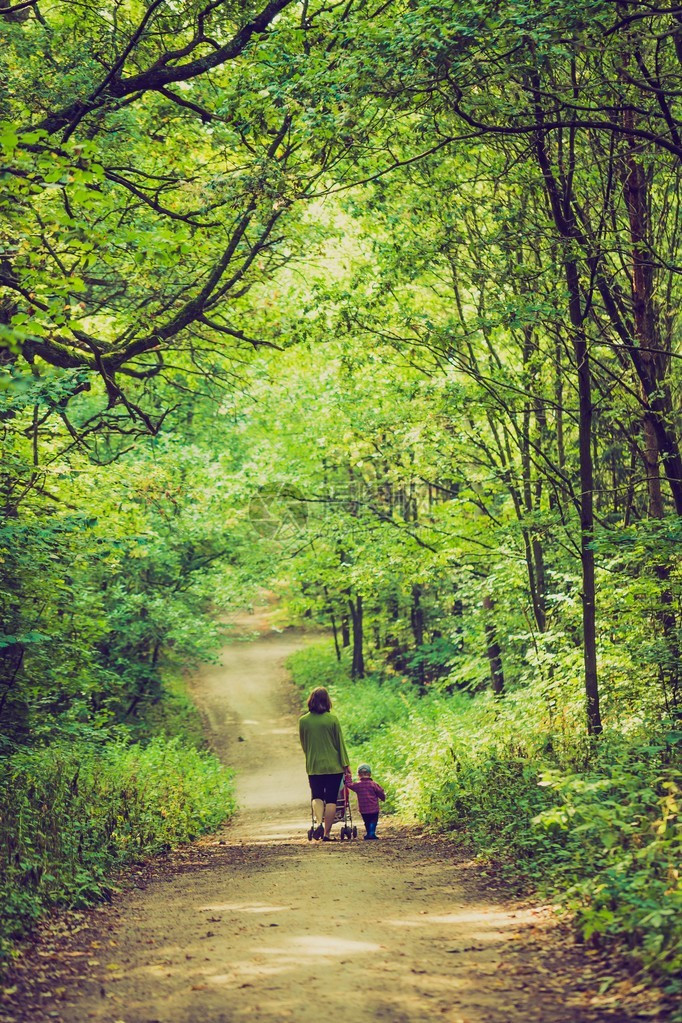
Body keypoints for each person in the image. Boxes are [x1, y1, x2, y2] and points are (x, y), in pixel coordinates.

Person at [299, 686, 350, 842]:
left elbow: (304, 744)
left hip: (314, 766)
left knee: (317, 796)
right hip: (333, 766)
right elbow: (340, 744)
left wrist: (311, 757)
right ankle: (327, 834)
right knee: (332, 800)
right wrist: (346, 765)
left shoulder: (303, 721)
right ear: (327, 701)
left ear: (311, 700)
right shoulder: (332, 720)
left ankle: (319, 823)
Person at [345, 763, 385, 840]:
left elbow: (349, 784)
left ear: (358, 775)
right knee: (373, 821)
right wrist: (383, 798)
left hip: (364, 809)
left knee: (366, 821)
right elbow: (380, 792)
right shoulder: (373, 784)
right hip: (374, 808)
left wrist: (348, 776)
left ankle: (369, 833)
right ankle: (371, 833)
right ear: (370, 774)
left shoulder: (358, 785)